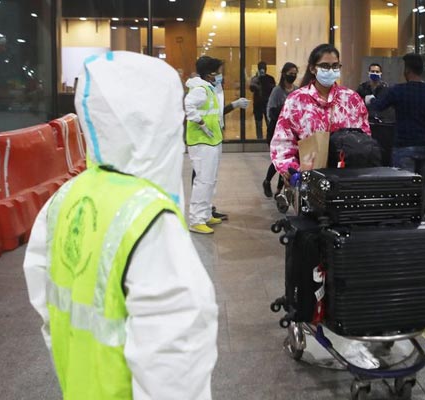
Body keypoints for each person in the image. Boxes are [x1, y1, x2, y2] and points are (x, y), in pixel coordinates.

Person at [23, 51, 218, 399]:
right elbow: (175, 366)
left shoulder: (63, 199)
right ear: (154, 121)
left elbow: (48, 310)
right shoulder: (150, 222)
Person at [271, 43, 370, 176]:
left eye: (335, 66)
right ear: (312, 69)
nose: (330, 70)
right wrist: (292, 171)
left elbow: (364, 137)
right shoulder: (297, 100)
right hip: (308, 177)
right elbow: (282, 143)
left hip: (347, 178)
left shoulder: (351, 99)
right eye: (325, 66)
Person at [366, 53, 425, 216]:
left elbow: (378, 106)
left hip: (403, 146)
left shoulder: (398, 91)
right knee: (421, 186)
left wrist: (369, 99)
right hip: (424, 146)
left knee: (404, 185)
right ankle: (419, 216)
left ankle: (404, 217)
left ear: (407, 70)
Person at [185, 56, 248, 234]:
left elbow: (216, 111)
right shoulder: (200, 89)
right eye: (218, 72)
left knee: (210, 180)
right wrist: (202, 124)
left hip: (212, 140)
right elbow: (188, 106)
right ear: (208, 74)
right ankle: (196, 220)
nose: (220, 75)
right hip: (201, 141)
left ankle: (205, 215)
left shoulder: (209, 88)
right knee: (203, 180)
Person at [262, 62, 298, 199]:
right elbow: (270, 109)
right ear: (284, 74)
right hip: (277, 130)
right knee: (279, 160)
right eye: (290, 74)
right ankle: (267, 181)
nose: (293, 76)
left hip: (292, 131)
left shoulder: (296, 90)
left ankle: (279, 190)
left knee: (289, 161)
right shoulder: (277, 91)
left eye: (295, 74)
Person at [250, 61, 276, 140]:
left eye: (263, 68)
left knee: (269, 123)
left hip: (267, 104)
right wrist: (256, 80)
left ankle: (270, 139)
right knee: (258, 124)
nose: (262, 70)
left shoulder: (270, 78)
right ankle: (259, 139)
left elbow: (273, 89)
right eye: (260, 68)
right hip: (258, 104)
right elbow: (251, 88)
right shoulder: (255, 78)